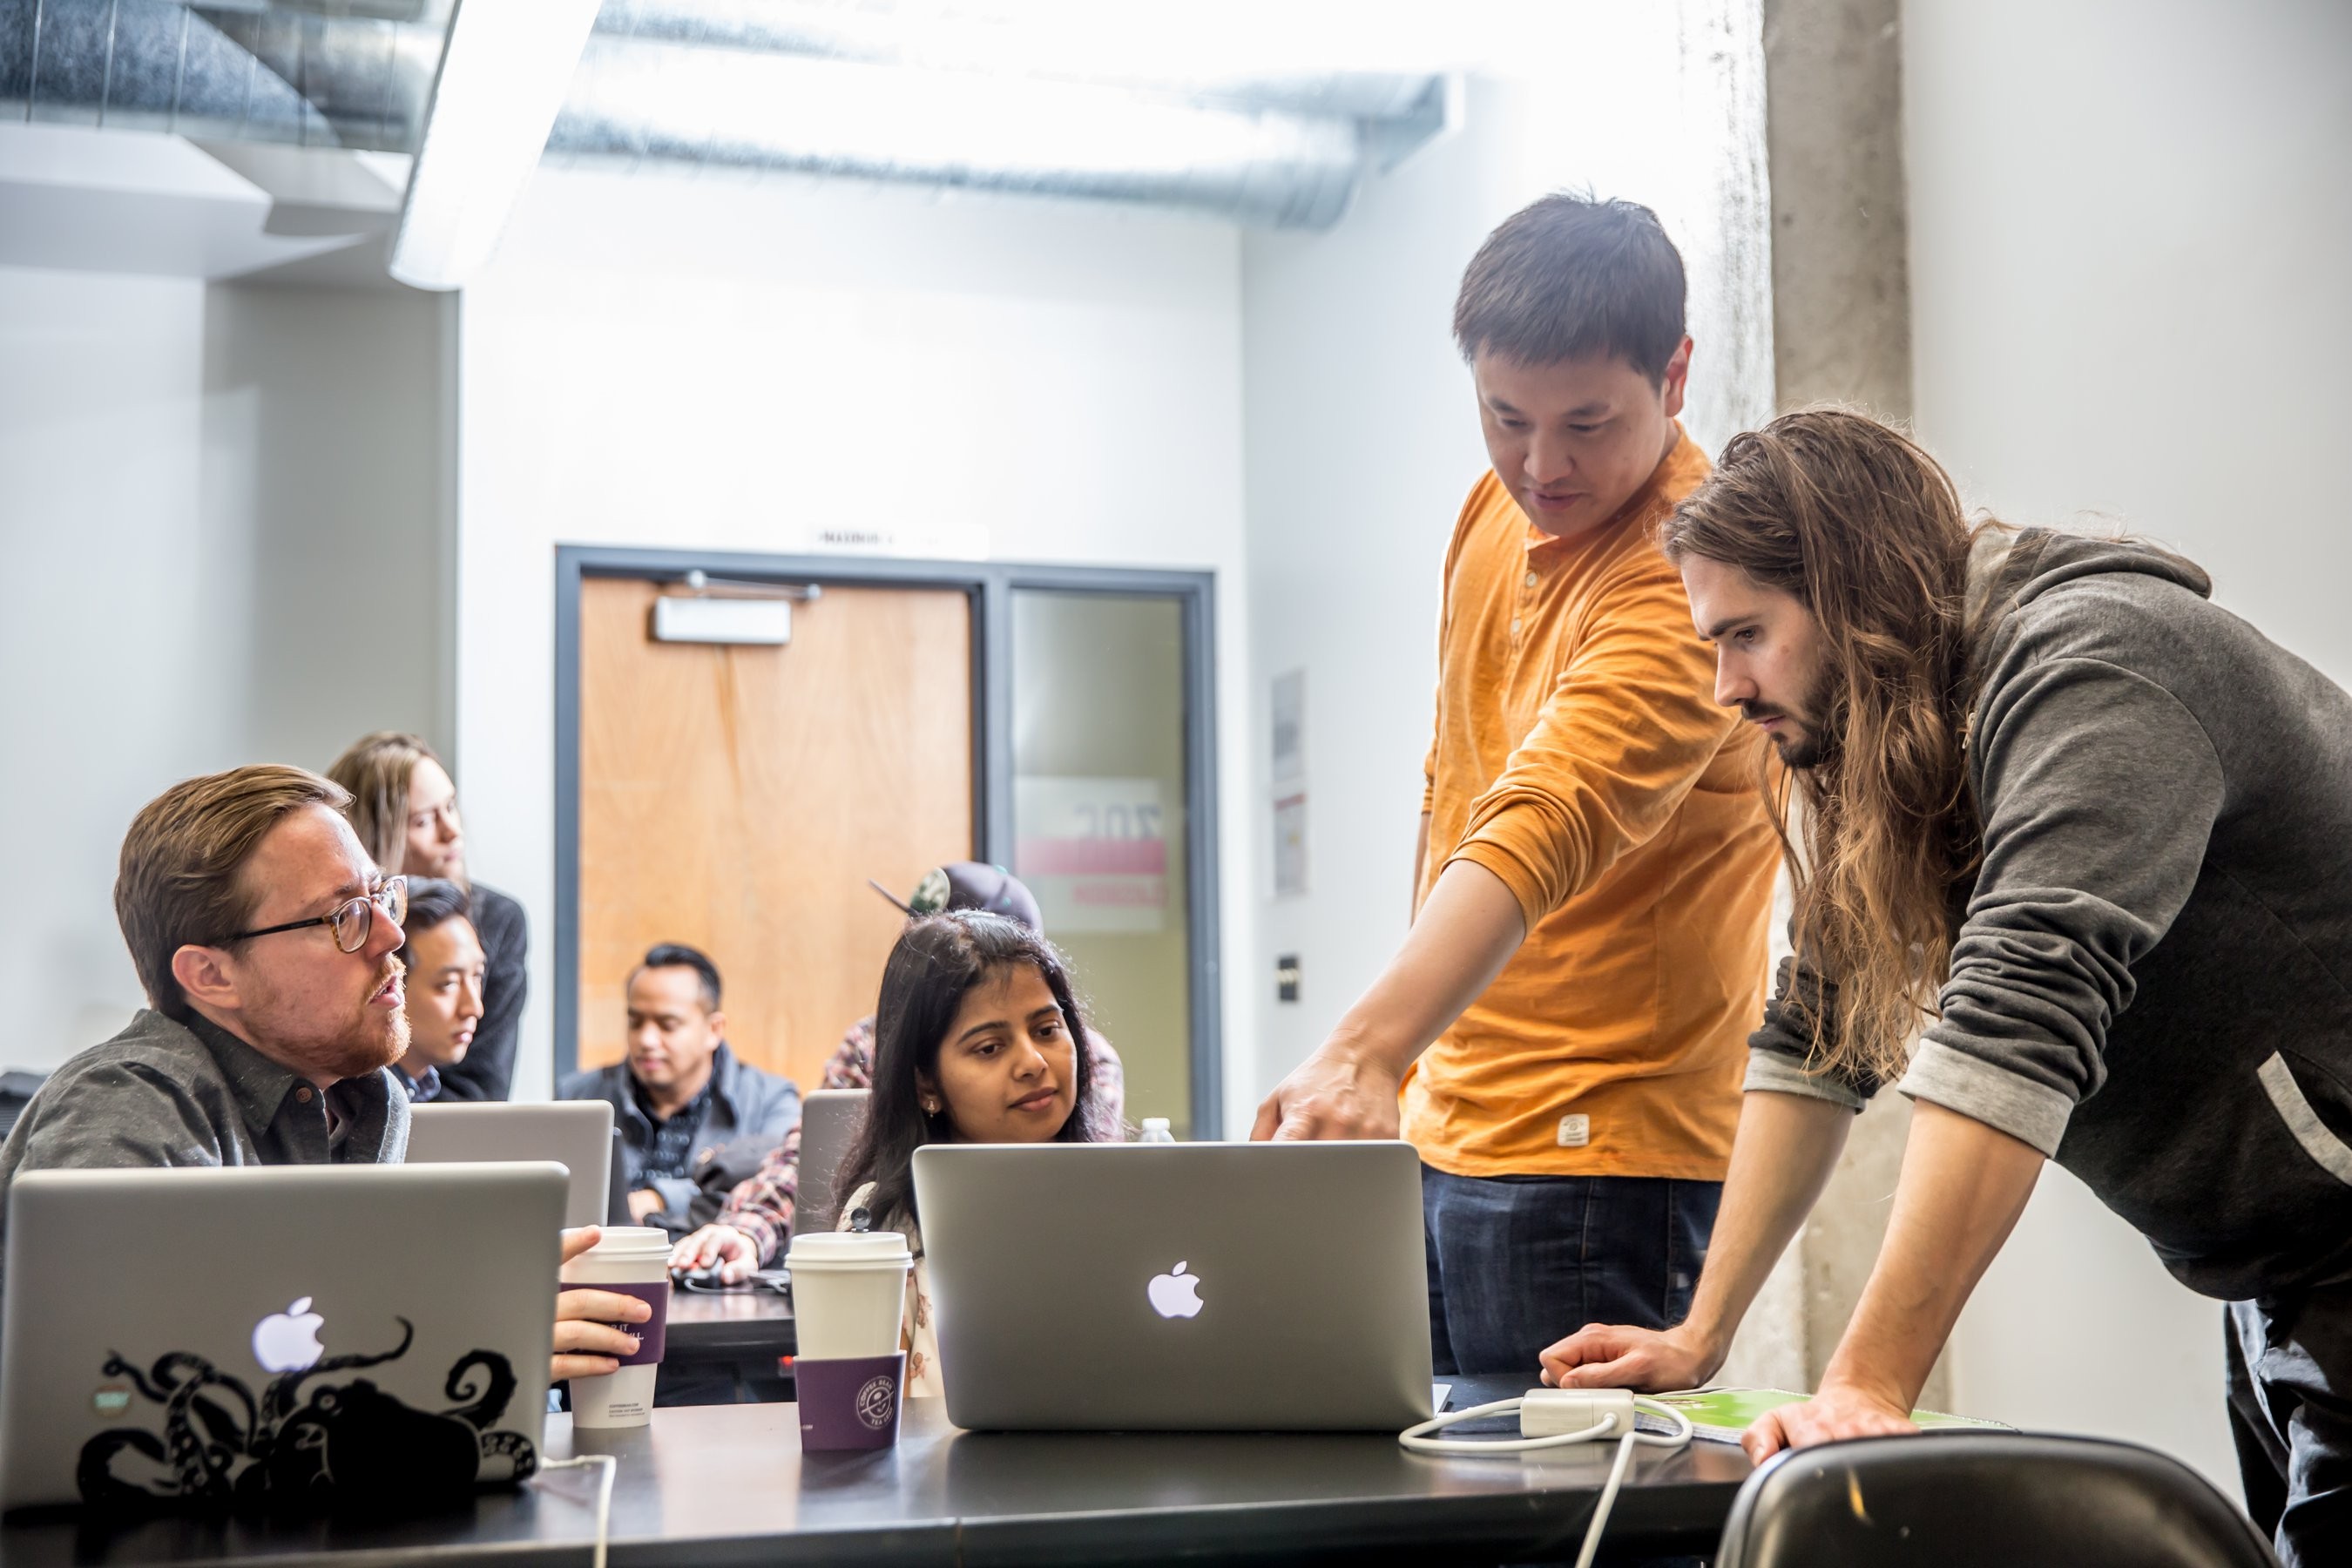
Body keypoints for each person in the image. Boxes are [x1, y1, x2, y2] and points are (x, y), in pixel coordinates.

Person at [1539, 409, 2352, 1567]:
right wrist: (1701, 1331)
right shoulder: (1890, 731)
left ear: (1852, 591)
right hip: (2281, 1263)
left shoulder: (2100, 664)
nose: (1725, 686)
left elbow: (2023, 1015)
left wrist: (1868, 1385)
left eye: (1746, 636)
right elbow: (1817, 1032)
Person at [1251, 193, 1781, 1376]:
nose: (1543, 466)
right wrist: (1404, 1064)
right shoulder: (1490, 514)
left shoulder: (1683, 583)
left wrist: (1364, 1050)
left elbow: (1547, 817)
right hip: (1450, 1122)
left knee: (1575, 1538)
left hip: (1604, 1157)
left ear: (1676, 373)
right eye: (1507, 418)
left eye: (1588, 423)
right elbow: (1458, 795)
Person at [0, 764, 629, 1384]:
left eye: (383, 897)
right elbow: (117, 1385)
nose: (391, 936)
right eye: (343, 917)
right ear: (211, 976)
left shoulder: (369, 1102)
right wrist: (460, 1343)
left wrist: (473, 1314)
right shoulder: (126, 1102)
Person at [669, 863, 1125, 1283]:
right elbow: (807, 1161)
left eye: (1046, 1029)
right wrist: (747, 1231)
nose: (1033, 1063)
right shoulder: (869, 1047)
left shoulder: (1082, 1054)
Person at [834, 910, 1106, 1395]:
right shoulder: (883, 1226)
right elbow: (859, 1415)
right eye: (989, 1048)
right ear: (925, 1083)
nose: (1034, 1062)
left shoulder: (1124, 1197)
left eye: (1047, 1030)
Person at [328, 733, 528, 1101]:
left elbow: (482, 1092)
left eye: (450, 807)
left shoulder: (499, 920)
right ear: (372, 839)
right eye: (423, 821)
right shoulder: (337, 928)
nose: (453, 832)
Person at [559, 943, 801, 1240]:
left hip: (722, 1275)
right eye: (635, 1022)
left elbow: (775, 1191)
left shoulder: (771, 1102)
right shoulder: (579, 1096)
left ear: (714, 1029)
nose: (646, 1040)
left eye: (667, 1025)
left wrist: (658, 1197)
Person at [389, 876, 483, 1103]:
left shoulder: (420, 1091)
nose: (474, 1008)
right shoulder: (348, 1111)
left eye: (477, 976)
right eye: (448, 984)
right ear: (389, 985)